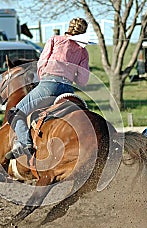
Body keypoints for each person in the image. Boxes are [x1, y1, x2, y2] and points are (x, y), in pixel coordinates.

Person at [5, 17, 90, 159]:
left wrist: (44, 77)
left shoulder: (55, 40)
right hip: (68, 91)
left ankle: (24, 143)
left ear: (69, 27)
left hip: (49, 86)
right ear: (83, 32)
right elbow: (83, 80)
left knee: (15, 113)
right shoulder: (83, 52)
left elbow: (41, 64)